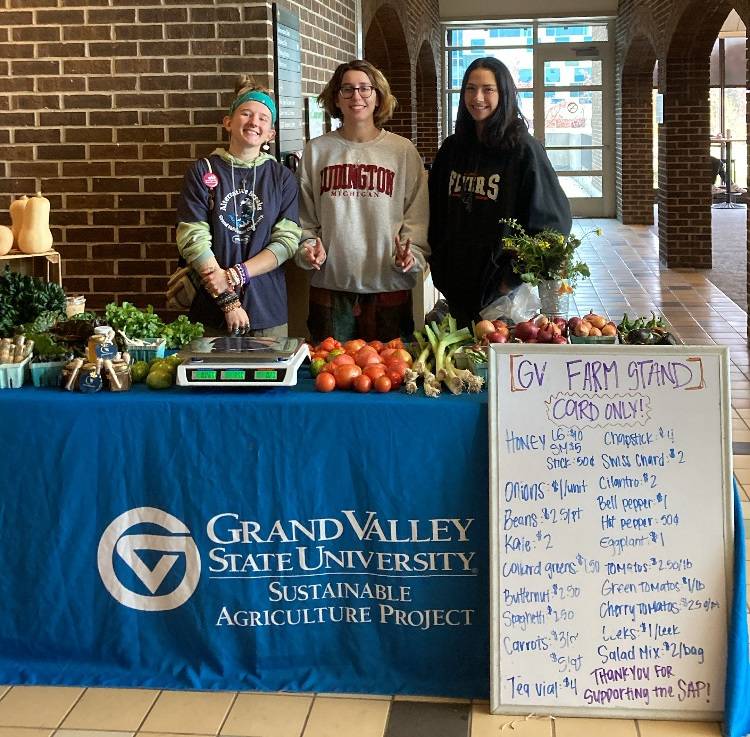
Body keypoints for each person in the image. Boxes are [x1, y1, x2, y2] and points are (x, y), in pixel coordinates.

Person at [428, 57, 571, 328]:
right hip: (456, 286)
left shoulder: (523, 150)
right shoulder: (451, 150)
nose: (477, 97)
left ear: (504, 94)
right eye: (470, 88)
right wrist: (439, 265)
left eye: (488, 89)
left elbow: (553, 226)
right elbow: (434, 212)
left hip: (502, 295)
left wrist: (511, 279)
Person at [294, 59, 429, 343]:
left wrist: (412, 255)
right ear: (336, 98)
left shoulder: (402, 152)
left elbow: (416, 218)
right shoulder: (316, 151)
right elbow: (304, 220)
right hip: (331, 287)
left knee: (390, 380)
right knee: (328, 377)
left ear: (378, 96)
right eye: (347, 89)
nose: (357, 96)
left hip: (389, 285)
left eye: (365, 89)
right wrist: (307, 249)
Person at [176, 75, 301, 337]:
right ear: (228, 122)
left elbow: (287, 241)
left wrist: (235, 274)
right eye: (246, 113)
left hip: (267, 309)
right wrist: (228, 300)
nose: (254, 122)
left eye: (263, 118)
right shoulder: (203, 171)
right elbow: (193, 239)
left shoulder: (282, 178)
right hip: (211, 311)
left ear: (271, 133)